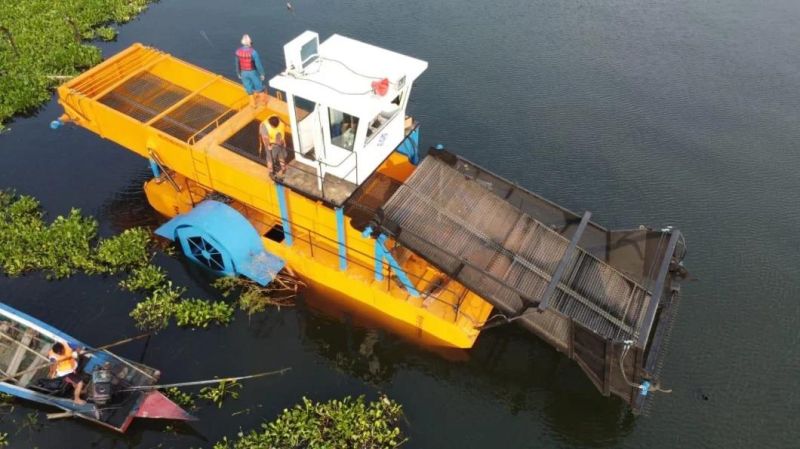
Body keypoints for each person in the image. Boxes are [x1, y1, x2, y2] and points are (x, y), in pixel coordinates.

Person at [235, 34, 267, 108]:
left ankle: (253, 104)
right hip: (253, 72)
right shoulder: (253, 52)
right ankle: (263, 102)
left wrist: (238, 73)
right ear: (249, 42)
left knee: (248, 88)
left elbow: (237, 63)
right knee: (259, 87)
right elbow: (258, 64)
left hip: (243, 72)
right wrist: (262, 73)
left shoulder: (238, 52)